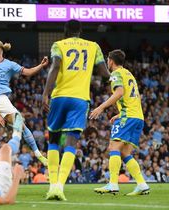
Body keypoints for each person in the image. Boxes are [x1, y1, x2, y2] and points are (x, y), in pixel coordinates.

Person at [42, 19, 110, 201]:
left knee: (54, 140)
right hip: (80, 99)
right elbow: (104, 73)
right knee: (71, 142)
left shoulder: (59, 45)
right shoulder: (93, 46)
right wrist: (110, 85)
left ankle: (52, 186)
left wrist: (45, 93)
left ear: (65, 31)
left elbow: (55, 66)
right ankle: (60, 187)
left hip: (59, 97)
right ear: (80, 31)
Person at [90, 49, 150, 196]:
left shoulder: (116, 74)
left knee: (113, 146)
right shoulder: (128, 74)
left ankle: (113, 184)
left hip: (128, 117)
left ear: (110, 61)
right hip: (137, 117)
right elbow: (134, 97)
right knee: (125, 152)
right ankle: (142, 184)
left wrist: (101, 107)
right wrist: (120, 113)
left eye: (107, 59)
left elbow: (119, 93)